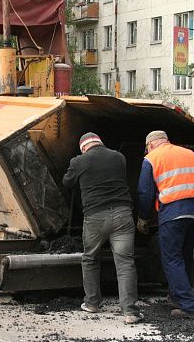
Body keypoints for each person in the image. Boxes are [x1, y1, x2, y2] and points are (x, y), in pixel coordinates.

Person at [63, 132, 143, 324]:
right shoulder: (119, 157)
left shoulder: (79, 161)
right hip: (123, 215)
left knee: (90, 258)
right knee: (125, 263)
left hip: (95, 217)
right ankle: (130, 312)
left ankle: (91, 303)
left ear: (84, 147)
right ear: (100, 142)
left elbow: (67, 183)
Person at [137, 130, 194, 320]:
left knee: (171, 258)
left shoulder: (152, 158)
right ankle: (177, 296)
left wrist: (143, 218)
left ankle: (189, 306)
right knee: (185, 255)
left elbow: (145, 192)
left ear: (151, 145)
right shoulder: (192, 155)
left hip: (173, 213)